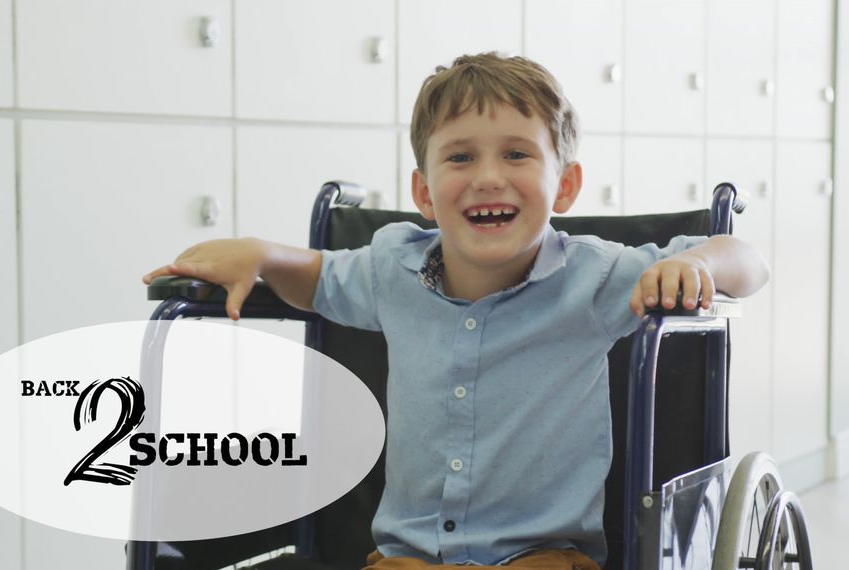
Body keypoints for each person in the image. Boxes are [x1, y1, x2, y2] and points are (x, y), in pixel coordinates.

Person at [144, 52, 769, 569]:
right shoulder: (391, 269)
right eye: (460, 157)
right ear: (424, 191)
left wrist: (701, 266)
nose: (488, 177)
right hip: (408, 559)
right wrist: (260, 253)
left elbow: (751, 262)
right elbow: (318, 278)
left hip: (541, 559)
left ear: (567, 186)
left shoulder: (597, 276)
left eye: (518, 155)